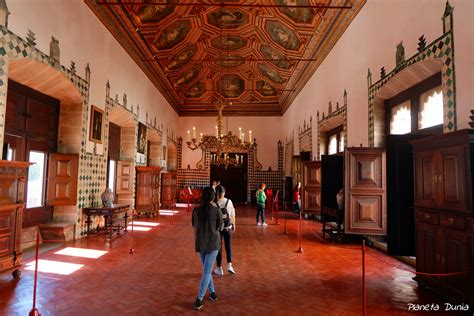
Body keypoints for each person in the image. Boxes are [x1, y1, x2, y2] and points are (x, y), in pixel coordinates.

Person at [192, 186, 223, 310]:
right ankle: (199, 299)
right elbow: (219, 226)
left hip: (200, 242)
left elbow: (194, 225)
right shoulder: (216, 210)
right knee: (207, 271)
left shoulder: (196, 210)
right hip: (213, 243)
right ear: (213, 197)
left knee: (207, 269)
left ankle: (212, 293)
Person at [214, 185, 236, 276]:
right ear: (224, 193)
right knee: (228, 246)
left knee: (218, 248)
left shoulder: (215, 203)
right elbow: (232, 215)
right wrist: (234, 225)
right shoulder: (229, 201)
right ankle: (229, 266)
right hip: (228, 227)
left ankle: (219, 268)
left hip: (218, 229)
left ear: (217, 193)